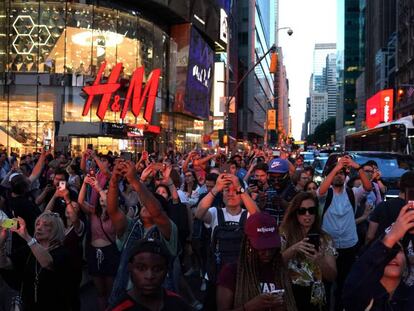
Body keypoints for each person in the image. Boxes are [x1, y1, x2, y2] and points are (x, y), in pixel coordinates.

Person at [107, 160, 178, 306]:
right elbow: (113, 211)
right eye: (143, 203)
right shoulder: (131, 226)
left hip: (159, 302)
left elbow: (157, 213)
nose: (145, 205)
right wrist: (114, 181)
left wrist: (135, 180)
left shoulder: (168, 229)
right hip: (126, 300)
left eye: (150, 203)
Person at [317, 155, 372, 311]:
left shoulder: (352, 193)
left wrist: (358, 167)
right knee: (326, 286)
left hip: (349, 246)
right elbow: (320, 191)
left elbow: (368, 187)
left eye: (342, 173)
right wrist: (336, 167)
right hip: (328, 248)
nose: (339, 175)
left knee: (344, 286)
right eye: (336, 173)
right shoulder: (325, 194)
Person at [216, 212, 297, 311]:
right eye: (261, 248)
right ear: (248, 244)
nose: (267, 253)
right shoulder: (232, 272)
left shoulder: (280, 270)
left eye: (271, 247)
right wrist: (250, 307)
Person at [342, 203, 414, 310]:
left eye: (397, 250)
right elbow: (352, 284)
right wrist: (390, 238)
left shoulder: (410, 297)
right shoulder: (360, 295)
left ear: (407, 262)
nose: (392, 256)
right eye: (389, 250)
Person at [0, 212, 74, 310]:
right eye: (37, 224)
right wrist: (1, 242)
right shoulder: (28, 250)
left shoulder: (63, 253)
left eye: (46, 225)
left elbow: (48, 263)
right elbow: (4, 264)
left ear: (56, 230)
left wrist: (27, 236)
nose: (39, 228)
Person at [280, 192, 337, 311]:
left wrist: (320, 260)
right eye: (302, 211)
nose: (307, 215)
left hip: (316, 296)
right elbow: (275, 264)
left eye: (312, 210)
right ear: (295, 213)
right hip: (290, 293)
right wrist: (293, 249)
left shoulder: (325, 239)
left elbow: (332, 276)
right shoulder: (284, 235)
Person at [109, 238, 192, 311]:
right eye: (141, 268)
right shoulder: (118, 308)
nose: (149, 276)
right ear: (130, 268)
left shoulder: (178, 304)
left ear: (167, 270)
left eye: (157, 269)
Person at [78, 175, 120, 310]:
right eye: (102, 196)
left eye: (106, 196)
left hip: (110, 253)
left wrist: (100, 189)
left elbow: (110, 205)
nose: (103, 199)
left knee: (110, 290)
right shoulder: (93, 212)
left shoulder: (116, 214)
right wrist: (84, 184)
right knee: (100, 291)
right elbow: (80, 201)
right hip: (94, 254)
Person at [366, 171, 414, 245]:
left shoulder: (382, 206)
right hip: (406, 253)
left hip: (383, 250)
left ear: (399, 184)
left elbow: (370, 236)